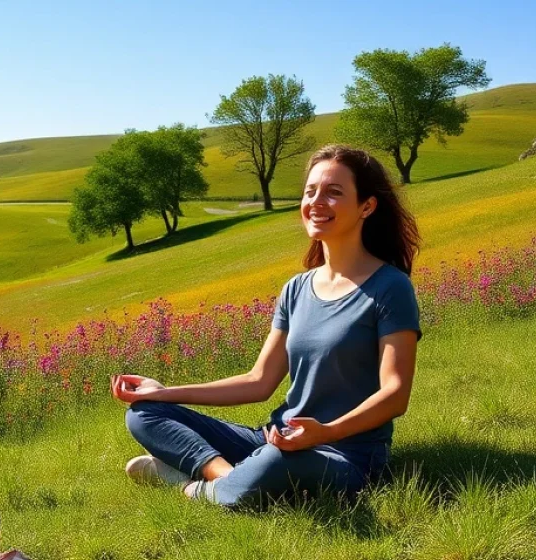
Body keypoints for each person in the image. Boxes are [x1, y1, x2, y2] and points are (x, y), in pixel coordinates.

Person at [115, 144, 422, 508]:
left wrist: (325, 432)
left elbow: (395, 394)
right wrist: (163, 393)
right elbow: (258, 381)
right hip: (276, 440)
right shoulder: (296, 289)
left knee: (276, 462)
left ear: (366, 207)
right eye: (310, 192)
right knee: (143, 415)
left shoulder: (390, 287)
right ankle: (229, 478)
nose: (316, 202)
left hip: (344, 456)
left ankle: (194, 486)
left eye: (334, 192)